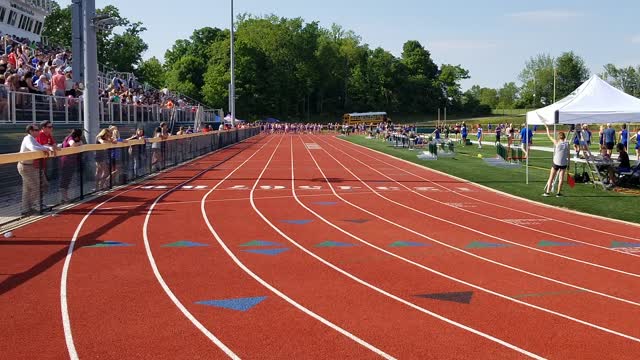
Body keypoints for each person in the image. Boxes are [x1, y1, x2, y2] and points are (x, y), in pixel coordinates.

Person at [18, 124, 55, 215]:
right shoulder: (28, 138)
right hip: (25, 166)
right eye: (36, 130)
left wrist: (47, 147)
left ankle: (26, 208)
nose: (38, 131)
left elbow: (40, 146)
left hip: (31, 166)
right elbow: (34, 148)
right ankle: (35, 205)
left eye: (38, 129)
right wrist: (46, 148)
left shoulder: (33, 139)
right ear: (31, 131)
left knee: (30, 188)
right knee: (35, 187)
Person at [542, 125, 569, 197]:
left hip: (556, 162)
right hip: (563, 163)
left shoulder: (557, 142)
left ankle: (547, 192)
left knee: (551, 177)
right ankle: (558, 193)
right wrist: (568, 163)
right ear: (564, 137)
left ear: (559, 137)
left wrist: (547, 128)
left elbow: (549, 135)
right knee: (561, 179)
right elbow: (568, 154)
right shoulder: (567, 144)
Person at [59, 129, 83, 202]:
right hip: (66, 161)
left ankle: (65, 196)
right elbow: (73, 145)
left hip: (71, 161)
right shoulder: (70, 138)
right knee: (65, 178)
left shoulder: (74, 139)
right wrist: (79, 143)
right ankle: (64, 197)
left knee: (68, 178)